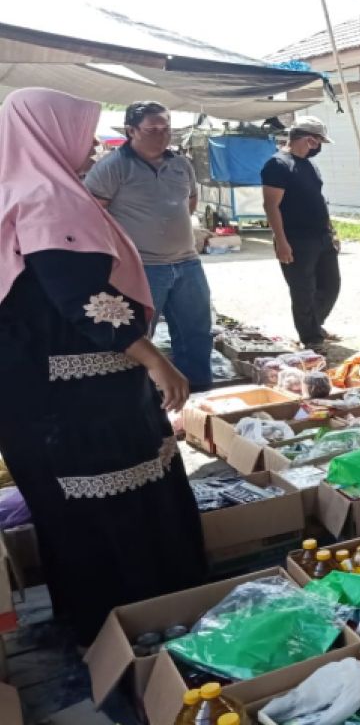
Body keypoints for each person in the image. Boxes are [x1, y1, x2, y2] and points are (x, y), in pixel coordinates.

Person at [0, 88, 205, 645]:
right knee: (109, 491)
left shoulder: (21, 188)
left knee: (77, 505)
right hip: (71, 394)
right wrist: (154, 357)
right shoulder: (46, 197)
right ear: (48, 133)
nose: (93, 146)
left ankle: (101, 620)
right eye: (83, 133)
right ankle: (136, 616)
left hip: (43, 386)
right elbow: (83, 297)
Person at [85, 101, 213, 391]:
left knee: (196, 332)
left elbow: (189, 202)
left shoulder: (180, 164)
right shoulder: (112, 167)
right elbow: (93, 216)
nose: (162, 135)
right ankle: (138, 396)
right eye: (153, 129)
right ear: (131, 130)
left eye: (166, 129)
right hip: (141, 267)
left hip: (187, 263)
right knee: (139, 337)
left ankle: (198, 396)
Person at [261, 116, 340, 351]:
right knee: (303, 290)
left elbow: (318, 200)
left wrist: (332, 232)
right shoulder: (277, 165)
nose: (319, 148)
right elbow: (271, 205)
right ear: (309, 140)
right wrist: (281, 241)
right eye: (318, 142)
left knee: (331, 285)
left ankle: (315, 324)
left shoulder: (309, 164)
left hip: (321, 236)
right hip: (297, 239)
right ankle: (311, 338)